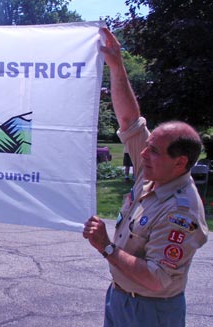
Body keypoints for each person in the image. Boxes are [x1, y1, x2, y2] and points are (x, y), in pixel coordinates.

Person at [83, 28, 209, 327]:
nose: (142, 154)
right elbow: (130, 121)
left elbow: (157, 279)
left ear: (180, 163)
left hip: (151, 312)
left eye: (153, 151)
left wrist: (106, 246)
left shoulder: (181, 211)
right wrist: (116, 65)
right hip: (120, 297)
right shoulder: (154, 173)